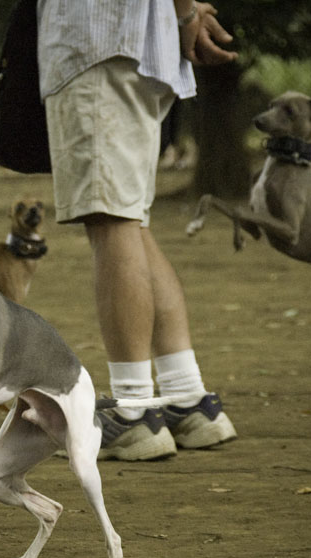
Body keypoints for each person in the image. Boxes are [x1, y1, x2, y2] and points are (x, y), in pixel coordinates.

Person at [37, 0, 239, 461]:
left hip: (98, 44)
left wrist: (185, 12)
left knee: (112, 220)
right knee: (128, 219)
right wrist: (183, 11)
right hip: (137, 45)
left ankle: (132, 412)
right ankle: (187, 401)